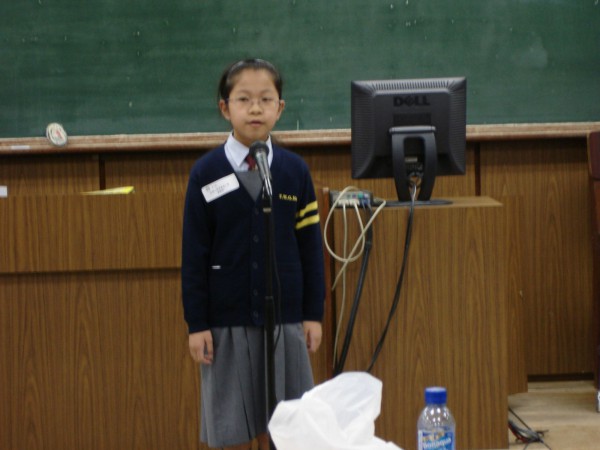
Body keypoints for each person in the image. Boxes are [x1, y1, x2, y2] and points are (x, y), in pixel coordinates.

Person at [181, 58, 326, 450]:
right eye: (244, 99)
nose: (256, 109)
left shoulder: (294, 172)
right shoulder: (205, 173)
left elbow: (311, 249)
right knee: (232, 421)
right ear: (225, 108)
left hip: (286, 318)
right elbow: (194, 255)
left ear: (281, 108)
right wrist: (197, 324)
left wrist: (313, 314)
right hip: (226, 319)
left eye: (266, 99)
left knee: (289, 422)